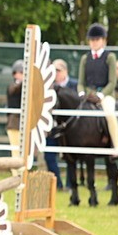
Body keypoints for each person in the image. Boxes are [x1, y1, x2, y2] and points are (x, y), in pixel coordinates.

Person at [77, 23, 118, 156]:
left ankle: (116, 147)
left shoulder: (110, 57)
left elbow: (112, 82)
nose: (94, 42)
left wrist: (101, 95)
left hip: (105, 95)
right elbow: (80, 82)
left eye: (97, 40)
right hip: (88, 95)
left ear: (103, 41)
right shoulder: (85, 58)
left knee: (110, 114)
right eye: (92, 40)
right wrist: (81, 93)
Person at [48, 59, 78, 189]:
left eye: (58, 70)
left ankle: (70, 184)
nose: (56, 74)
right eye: (53, 71)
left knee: (71, 157)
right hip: (54, 127)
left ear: (65, 71)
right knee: (49, 155)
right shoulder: (48, 87)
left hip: (71, 128)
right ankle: (57, 184)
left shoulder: (75, 85)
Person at [6, 60, 24, 157]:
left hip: (25, 121)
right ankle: (16, 172)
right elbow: (15, 89)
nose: (22, 75)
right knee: (16, 150)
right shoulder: (12, 86)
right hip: (14, 121)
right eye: (20, 72)